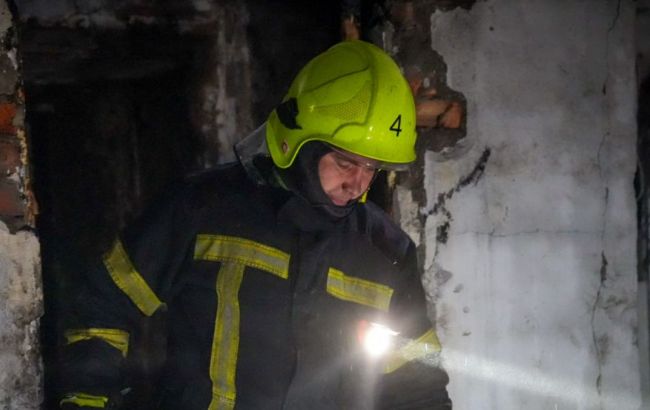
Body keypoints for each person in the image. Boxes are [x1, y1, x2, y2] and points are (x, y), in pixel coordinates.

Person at [58, 40, 451, 409]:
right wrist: (88, 400)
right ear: (299, 143)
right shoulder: (202, 209)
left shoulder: (387, 252)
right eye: (345, 162)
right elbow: (102, 306)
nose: (358, 184)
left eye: (372, 168)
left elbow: (418, 386)